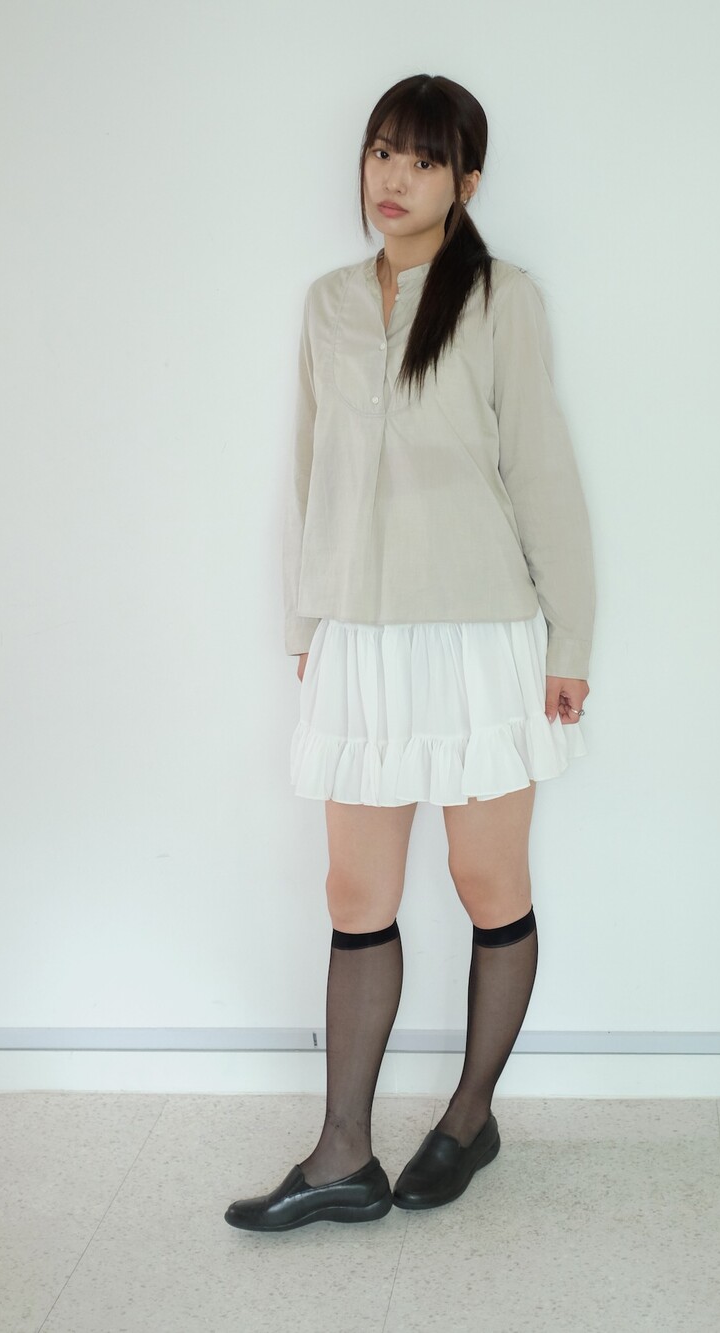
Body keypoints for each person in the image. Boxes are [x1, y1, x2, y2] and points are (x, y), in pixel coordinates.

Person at [225, 73, 596, 1233]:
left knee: (488, 884)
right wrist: (308, 623)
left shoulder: (500, 298)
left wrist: (570, 639)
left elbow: (541, 471)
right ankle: (343, 1153)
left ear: (465, 182)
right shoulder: (329, 304)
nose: (394, 177)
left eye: (425, 160)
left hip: (479, 631)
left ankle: (468, 1117)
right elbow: (311, 473)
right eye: (383, 152)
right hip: (358, 638)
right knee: (355, 892)